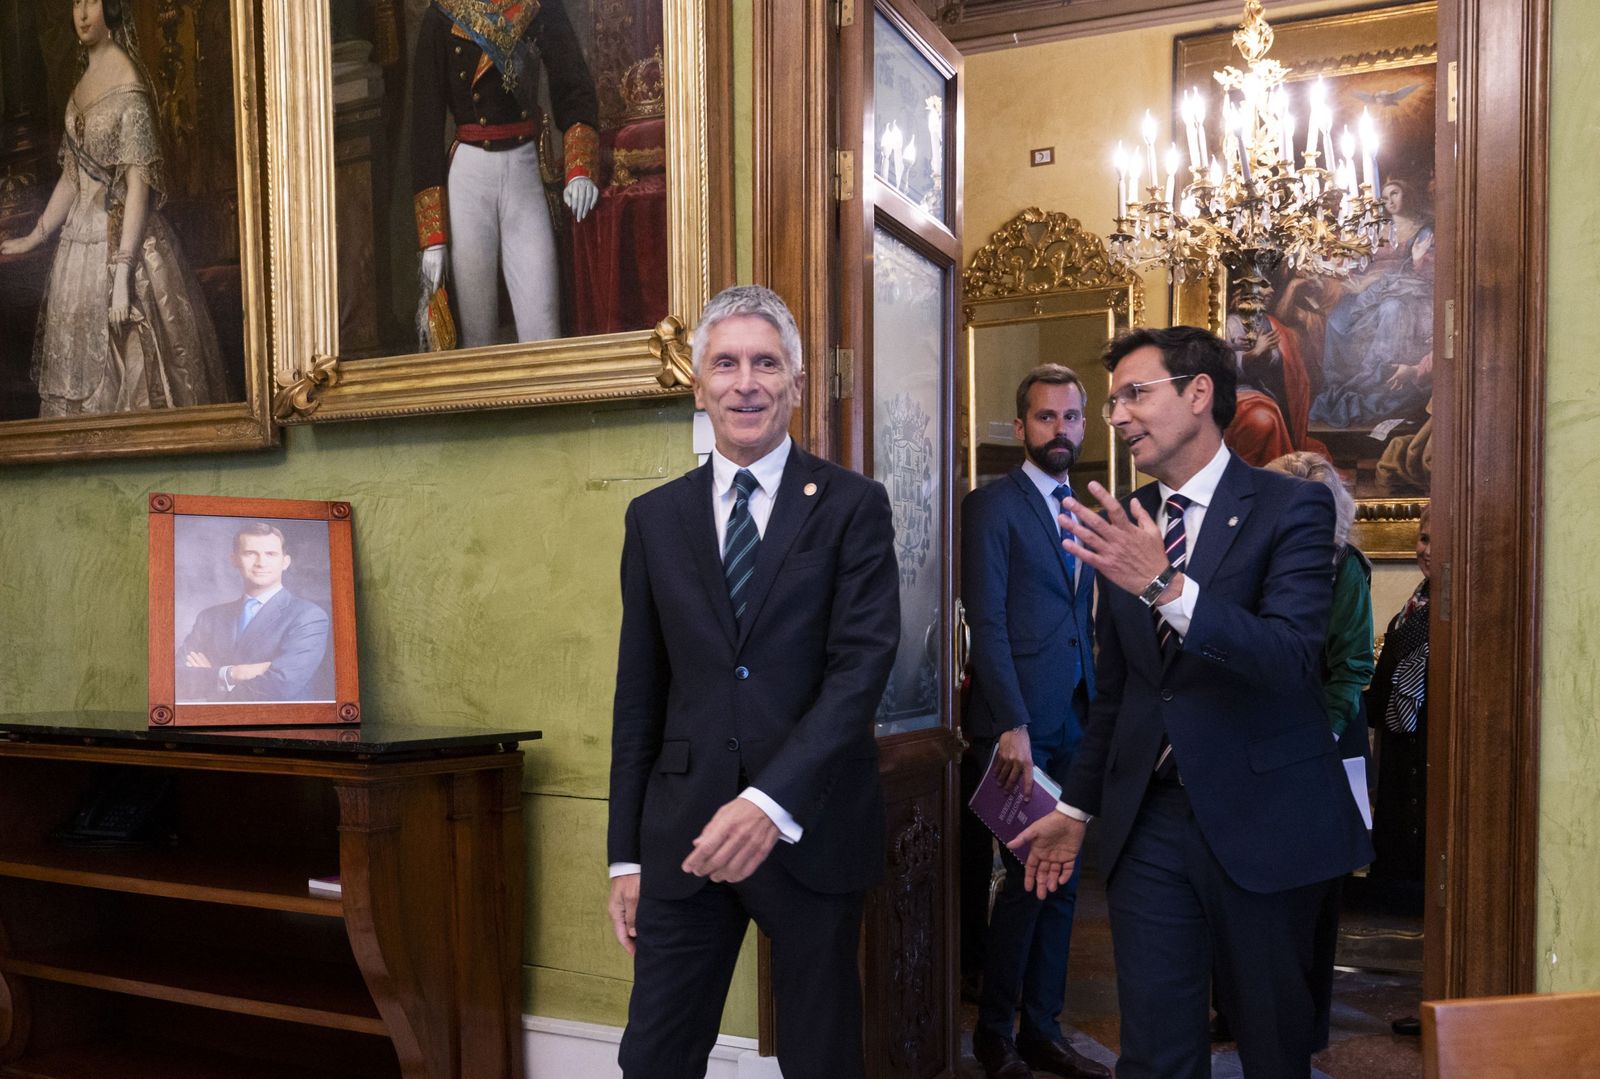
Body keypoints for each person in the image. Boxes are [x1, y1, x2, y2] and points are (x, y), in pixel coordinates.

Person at [1012, 326, 1373, 1079]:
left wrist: (1168, 587)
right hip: (1151, 826)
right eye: (1113, 402)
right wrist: (1075, 813)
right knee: (1156, 1051)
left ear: (1199, 394)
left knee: (1274, 1047)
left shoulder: (1292, 509)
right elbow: (1121, 693)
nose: (1117, 416)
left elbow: (1289, 659)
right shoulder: (1124, 519)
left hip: (1266, 817)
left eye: (1135, 394)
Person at [605, 285, 900, 1079]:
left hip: (811, 828)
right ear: (698, 384)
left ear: (796, 384)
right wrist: (624, 858)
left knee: (820, 1056)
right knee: (655, 1057)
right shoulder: (653, 518)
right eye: (726, 363)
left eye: (766, 363)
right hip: (685, 837)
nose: (747, 382)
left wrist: (768, 803)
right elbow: (640, 694)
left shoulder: (852, 507)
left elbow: (859, 671)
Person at [960, 364, 1108, 1079]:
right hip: (1019, 726)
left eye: (1072, 416)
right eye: (1046, 417)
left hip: (1076, 717)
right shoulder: (992, 506)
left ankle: (1044, 1029)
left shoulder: (1085, 509)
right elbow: (985, 620)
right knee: (1024, 879)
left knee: (1065, 878)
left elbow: (1083, 617)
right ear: (1020, 427)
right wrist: (1012, 721)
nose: (1061, 430)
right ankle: (995, 1033)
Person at [0, 0, 228, 417]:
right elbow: (73, 176)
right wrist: (34, 236)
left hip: (122, 246)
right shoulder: (82, 83)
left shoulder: (129, 83)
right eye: (77, 3)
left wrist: (122, 274)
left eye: (94, 3)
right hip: (76, 249)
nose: (83, 14)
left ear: (115, 11)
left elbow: (138, 189)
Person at [1263, 450, 1377, 1051]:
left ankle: (1306, 1028)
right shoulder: (1261, 562)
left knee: (1316, 892)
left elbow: (1353, 667)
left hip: (1327, 740)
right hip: (1264, 737)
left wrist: (1315, 739)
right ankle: (1243, 1014)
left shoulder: (1346, 568)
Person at [411, 0, 601, 349]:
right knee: (476, 333)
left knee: (543, 327)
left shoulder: (539, 6)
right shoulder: (441, 15)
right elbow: (425, 123)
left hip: (525, 171)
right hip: (467, 180)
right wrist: (433, 237)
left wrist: (579, 168)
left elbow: (573, 85)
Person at [178, 523, 333, 704]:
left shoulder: (309, 616)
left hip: (281, 727)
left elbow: (279, 687)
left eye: (271, 554)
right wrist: (234, 673)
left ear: (285, 562)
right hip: (214, 725)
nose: (261, 563)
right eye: (250, 553)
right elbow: (177, 678)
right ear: (234, 559)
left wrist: (215, 677)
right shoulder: (209, 617)